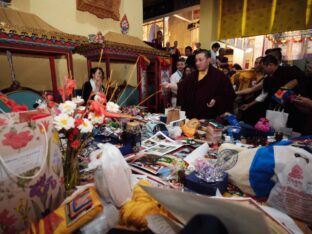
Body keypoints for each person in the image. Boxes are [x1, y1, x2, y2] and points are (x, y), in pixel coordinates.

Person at [162, 49, 236, 119]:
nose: (197, 63)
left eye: (200, 60)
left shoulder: (219, 76)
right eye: (196, 60)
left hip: (210, 115)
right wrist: (169, 85)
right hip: (192, 114)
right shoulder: (193, 75)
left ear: (208, 60)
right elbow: (181, 86)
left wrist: (216, 99)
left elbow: (228, 94)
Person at [243, 55, 308, 132]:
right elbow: (264, 95)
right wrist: (249, 105)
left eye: (264, 68)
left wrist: (284, 91)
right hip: (276, 110)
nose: (263, 70)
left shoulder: (289, 70)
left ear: (270, 65)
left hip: (294, 109)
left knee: (292, 132)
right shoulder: (267, 79)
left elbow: (301, 80)